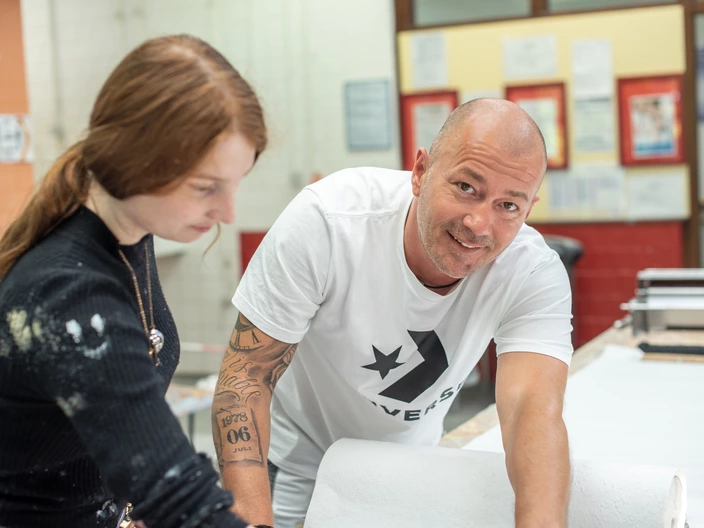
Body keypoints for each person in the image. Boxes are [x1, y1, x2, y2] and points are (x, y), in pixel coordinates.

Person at [213, 98, 573, 528]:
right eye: (466, 187)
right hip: (296, 466)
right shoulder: (329, 222)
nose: (479, 224)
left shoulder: (531, 271)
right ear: (420, 172)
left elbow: (532, 413)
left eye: (508, 206)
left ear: (528, 209)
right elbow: (246, 378)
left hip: (408, 468)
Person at [0, 34, 269, 528]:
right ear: (134, 162)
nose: (228, 212)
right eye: (206, 188)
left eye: (235, 185)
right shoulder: (69, 294)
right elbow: (175, 496)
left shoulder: (131, 237)